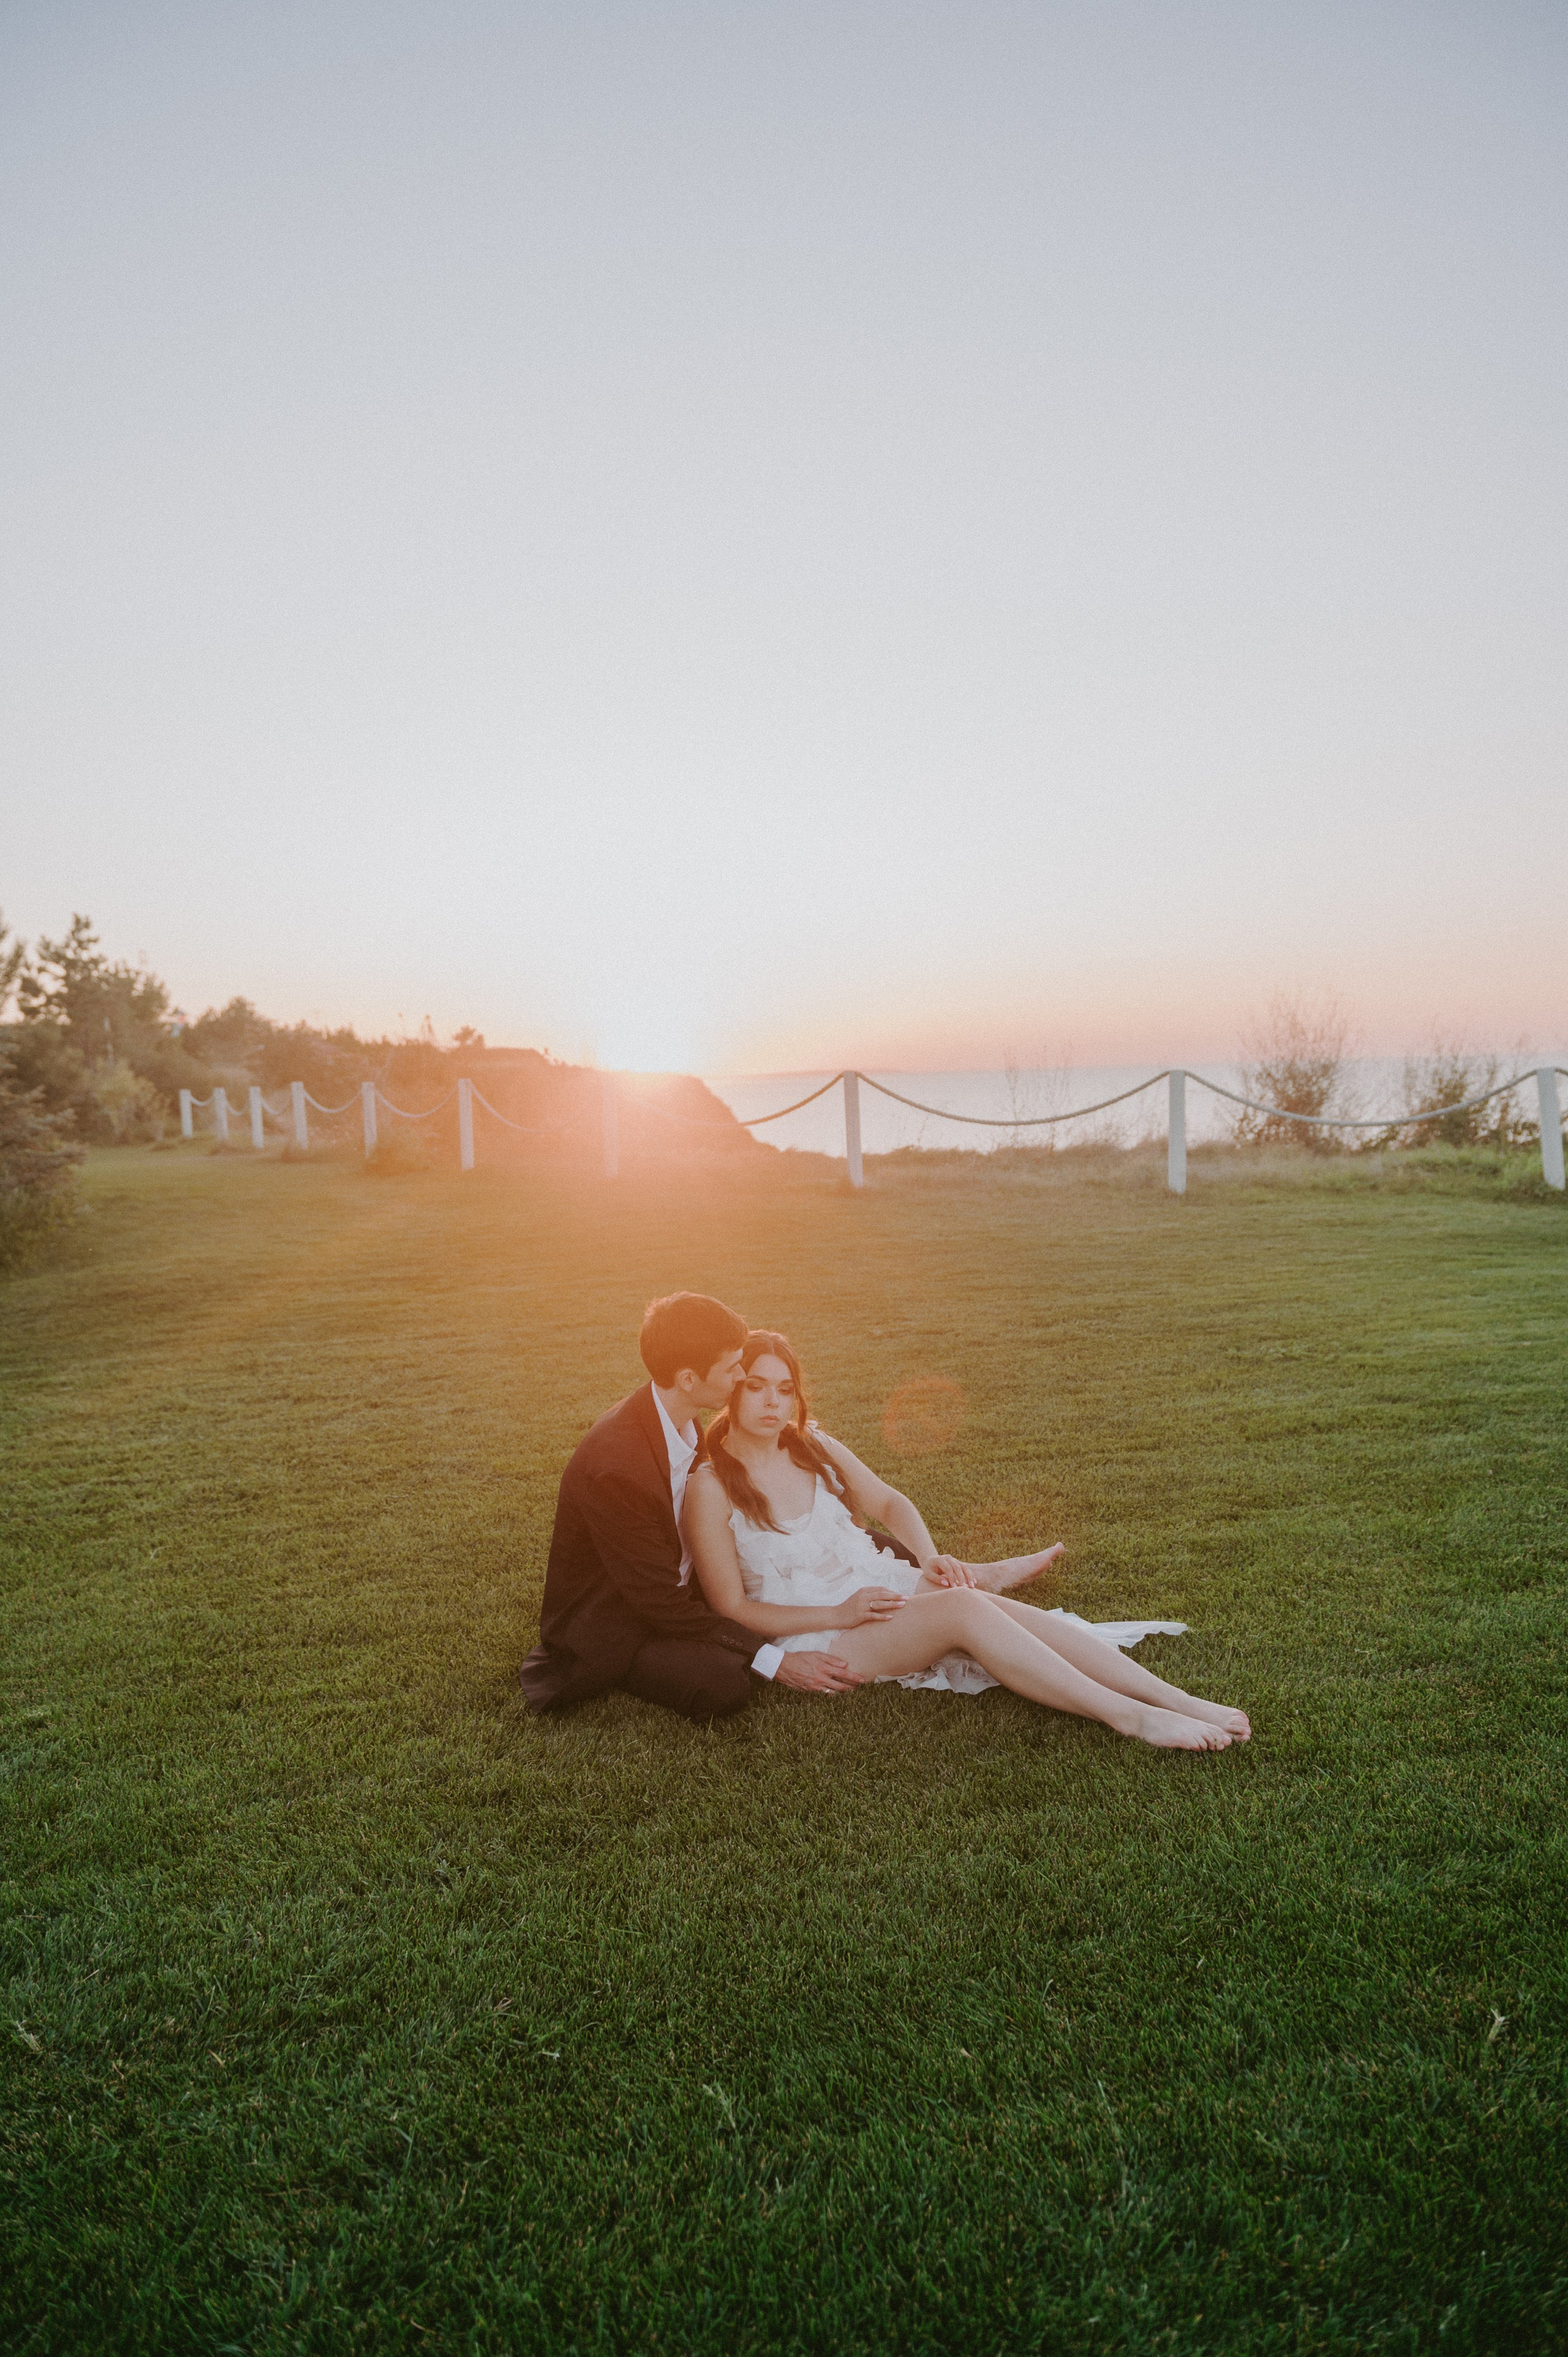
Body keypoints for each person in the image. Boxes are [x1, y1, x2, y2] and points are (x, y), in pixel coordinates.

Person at [684, 1330, 1251, 1752]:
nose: (772, 1403)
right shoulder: (710, 1486)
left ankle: (1175, 1699)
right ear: (732, 1390)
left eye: (785, 1390)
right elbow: (729, 1608)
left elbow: (889, 1504)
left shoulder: (811, 1444)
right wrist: (841, 1609)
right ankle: (1130, 1717)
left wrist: (931, 1559)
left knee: (985, 1605)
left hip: (881, 1594)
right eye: (756, 1387)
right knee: (965, 1607)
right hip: (823, 1634)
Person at [518, 1293, 884, 1722]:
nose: (742, 1373)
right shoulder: (617, 1467)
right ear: (689, 1379)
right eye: (732, 1367)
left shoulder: (682, 1418)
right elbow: (657, 1601)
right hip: (625, 1617)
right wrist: (773, 1660)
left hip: (685, 1588)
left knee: (841, 1542)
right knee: (723, 1684)